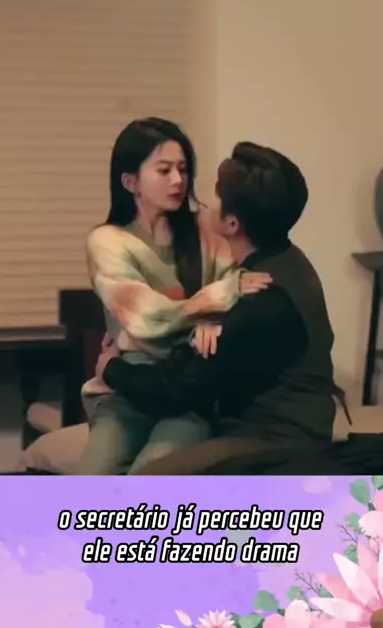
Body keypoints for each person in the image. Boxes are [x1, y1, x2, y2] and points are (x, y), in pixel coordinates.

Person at [99, 142, 349, 475]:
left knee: (153, 478)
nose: (202, 198)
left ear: (232, 224)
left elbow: (176, 389)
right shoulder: (287, 259)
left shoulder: (263, 302)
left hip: (275, 441)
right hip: (288, 428)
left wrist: (111, 368)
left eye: (216, 194)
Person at [72, 119, 271, 474]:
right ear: (130, 182)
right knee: (89, 482)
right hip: (128, 387)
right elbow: (145, 316)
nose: (178, 180)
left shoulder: (205, 228)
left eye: (183, 169)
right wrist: (210, 306)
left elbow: (240, 284)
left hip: (191, 387)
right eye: (164, 170)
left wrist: (216, 317)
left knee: (152, 475)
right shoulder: (108, 241)